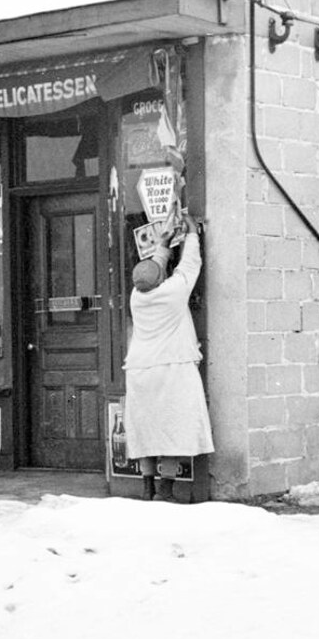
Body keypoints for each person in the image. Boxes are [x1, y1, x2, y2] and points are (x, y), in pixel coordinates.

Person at [124, 212, 214, 502]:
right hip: (173, 366)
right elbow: (190, 265)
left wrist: (162, 242)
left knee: (147, 428)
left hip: (140, 369)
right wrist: (190, 233)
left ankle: (147, 486)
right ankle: (167, 489)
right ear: (162, 279)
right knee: (174, 427)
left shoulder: (136, 297)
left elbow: (154, 269)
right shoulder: (174, 292)